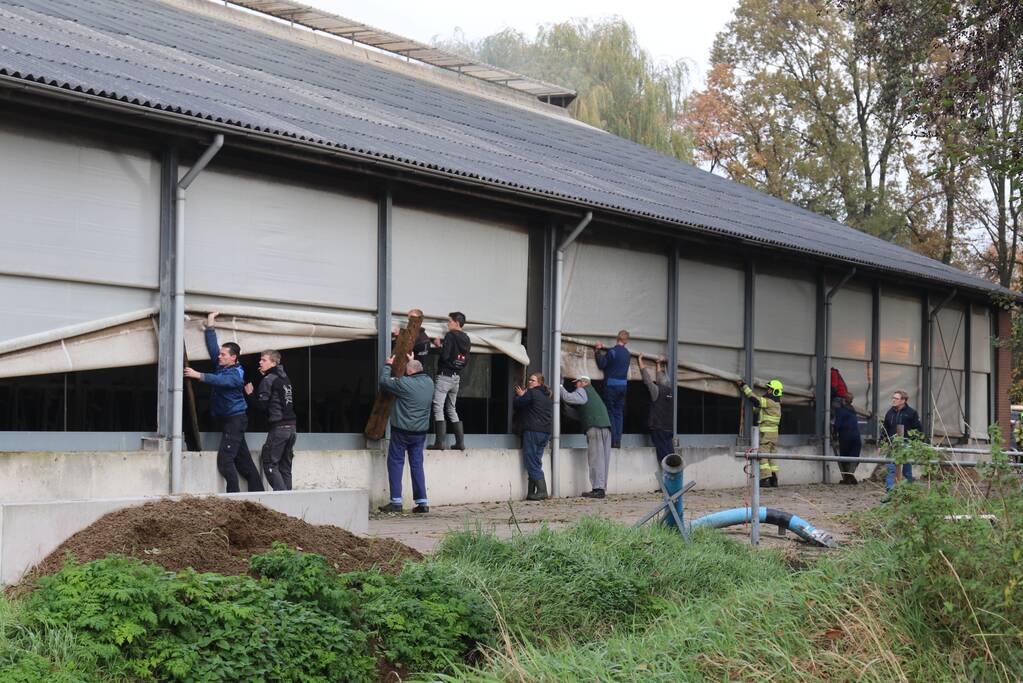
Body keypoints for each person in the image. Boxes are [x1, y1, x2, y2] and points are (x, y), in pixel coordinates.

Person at [184, 312, 264, 493]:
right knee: (243, 461)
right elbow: (213, 347)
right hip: (231, 421)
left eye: (223, 354)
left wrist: (198, 375)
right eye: (220, 354)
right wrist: (210, 324)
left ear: (233, 357)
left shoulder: (236, 375)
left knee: (225, 460)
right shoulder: (222, 365)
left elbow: (220, 381)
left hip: (235, 421)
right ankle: (258, 493)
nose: (219, 356)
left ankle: (233, 497)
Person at [377, 353, 435, 513]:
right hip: (420, 433)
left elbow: (384, 382)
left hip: (401, 432)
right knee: (417, 465)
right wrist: (411, 361)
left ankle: (396, 502)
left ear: (409, 372)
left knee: (396, 462)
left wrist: (388, 365)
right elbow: (416, 371)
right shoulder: (430, 383)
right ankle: (422, 503)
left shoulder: (403, 383)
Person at [245, 349, 296, 491]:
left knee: (269, 463)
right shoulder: (285, 377)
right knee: (285, 466)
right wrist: (266, 374)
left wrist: (250, 395)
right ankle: (290, 501)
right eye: (260, 359)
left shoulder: (268, 380)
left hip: (279, 428)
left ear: (273, 362)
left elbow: (261, 407)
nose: (260, 362)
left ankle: (282, 498)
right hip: (292, 428)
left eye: (264, 360)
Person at [563, 376, 612, 499]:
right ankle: (601, 488)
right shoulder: (593, 394)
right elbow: (581, 414)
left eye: (577, 383)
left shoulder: (583, 390)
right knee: (603, 460)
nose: (575, 386)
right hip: (606, 427)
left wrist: (559, 388)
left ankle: (597, 489)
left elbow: (568, 397)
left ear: (584, 382)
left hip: (595, 428)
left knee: (595, 459)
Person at [428, 311, 471, 451]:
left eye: (449, 321)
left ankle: (439, 443)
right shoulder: (466, 338)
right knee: (452, 408)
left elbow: (445, 356)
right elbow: (464, 359)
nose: (447, 324)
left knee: (438, 407)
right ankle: (460, 443)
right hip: (456, 377)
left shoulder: (450, 335)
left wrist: (439, 346)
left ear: (456, 323)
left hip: (444, 376)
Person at [513, 372, 553, 501]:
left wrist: (521, 395)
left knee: (531, 462)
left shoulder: (532, 393)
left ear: (539, 383)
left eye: (533, 380)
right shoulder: (547, 396)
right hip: (545, 433)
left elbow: (518, 403)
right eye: (529, 380)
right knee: (535, 461)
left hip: (533, 431)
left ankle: (542, 491)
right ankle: (531, 492)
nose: (530, 382)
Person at [736, 377, 783, 487]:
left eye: (770, 389)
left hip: (766, 436)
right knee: (772, 457)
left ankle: (765, 479)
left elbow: (755, 399)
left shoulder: (770, 402)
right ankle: (774, 479)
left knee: (762, 456)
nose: (768, 391)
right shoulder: (776, 404)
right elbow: (759, 409)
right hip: (773, 436)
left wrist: (744, 386)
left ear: (775, 391)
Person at [595, 330, 631, 448]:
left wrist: (597, 351)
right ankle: (618, 440)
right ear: (626, 341)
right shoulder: (627, 354)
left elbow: (601, 364)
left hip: (611, 386)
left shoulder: (612, 352)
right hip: (623, 386)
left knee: (610, 412)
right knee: (619, 413)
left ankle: (613, 441)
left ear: (617, 338)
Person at [881, 390, 922, 493]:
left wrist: (916, 443)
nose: (893, 400)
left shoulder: (911, 413)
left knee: (907, 469)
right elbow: (884, 429)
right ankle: (890, 490)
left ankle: (907, 490)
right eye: (893, 398)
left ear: (903, 400)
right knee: (891, 467)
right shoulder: (889, 412)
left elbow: (918, 430)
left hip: (907, 445)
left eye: (896, 398)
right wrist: (881, 443)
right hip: (892, 444)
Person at [638, 353, 674, 466]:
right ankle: (675, 473)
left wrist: (640, 361)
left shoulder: (657, 391)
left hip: (658, 428)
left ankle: (668, 476)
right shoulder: (670, 391)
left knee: (663, 456)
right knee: (670, 453)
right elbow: (660, 378)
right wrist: (658, 364)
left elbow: (647, 380)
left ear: (658, 383)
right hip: (669, 428)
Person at [833, 393, 861, 485]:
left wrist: (834, 434)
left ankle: (848, 478)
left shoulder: (841, 411)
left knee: (844, 457)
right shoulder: (853, 410)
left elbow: (837, 424)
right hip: (856, 436)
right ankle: (850, 476)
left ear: (844, 400)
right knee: (854, 457)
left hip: (846, 436)